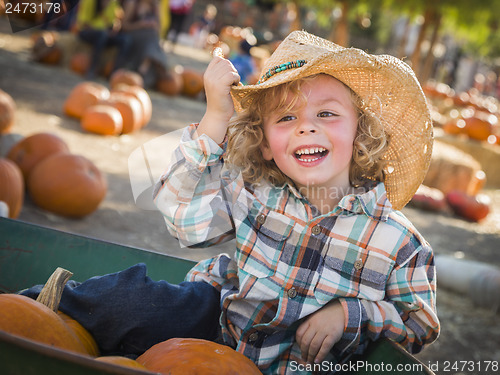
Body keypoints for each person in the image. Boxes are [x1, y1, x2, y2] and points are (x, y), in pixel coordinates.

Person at [21, 31, 439, 374]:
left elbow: (419, 322)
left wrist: (352, 314)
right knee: (134, 296)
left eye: (327, 114)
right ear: (266, 146)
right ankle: (28, 309)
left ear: (361, 132)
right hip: (219, 323)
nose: (306, 128)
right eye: (286, 118)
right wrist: (215, 120)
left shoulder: (399, 244)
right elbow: (186, 223)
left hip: (302, 366)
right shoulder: (254, 192)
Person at [75, 0, 131, 79]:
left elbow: (112, 23)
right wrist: (103, 30)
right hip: (86, 32)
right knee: (101, 35)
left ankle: (114, 73)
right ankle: (92, 69)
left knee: (125, 40)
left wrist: (114, 29)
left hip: (104, 34)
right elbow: (84, 23)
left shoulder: (113, 3)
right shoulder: (89, 1)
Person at [121, 0, 168, 87]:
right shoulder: (133, 4)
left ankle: (144, 66)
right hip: (134, 34)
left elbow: (159, 30)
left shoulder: (155, 7)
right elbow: (124, 26)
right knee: (152, 39)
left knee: (152, 36)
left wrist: (153, 25)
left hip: (149, 37)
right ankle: (152, 67)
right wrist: (140, 24)